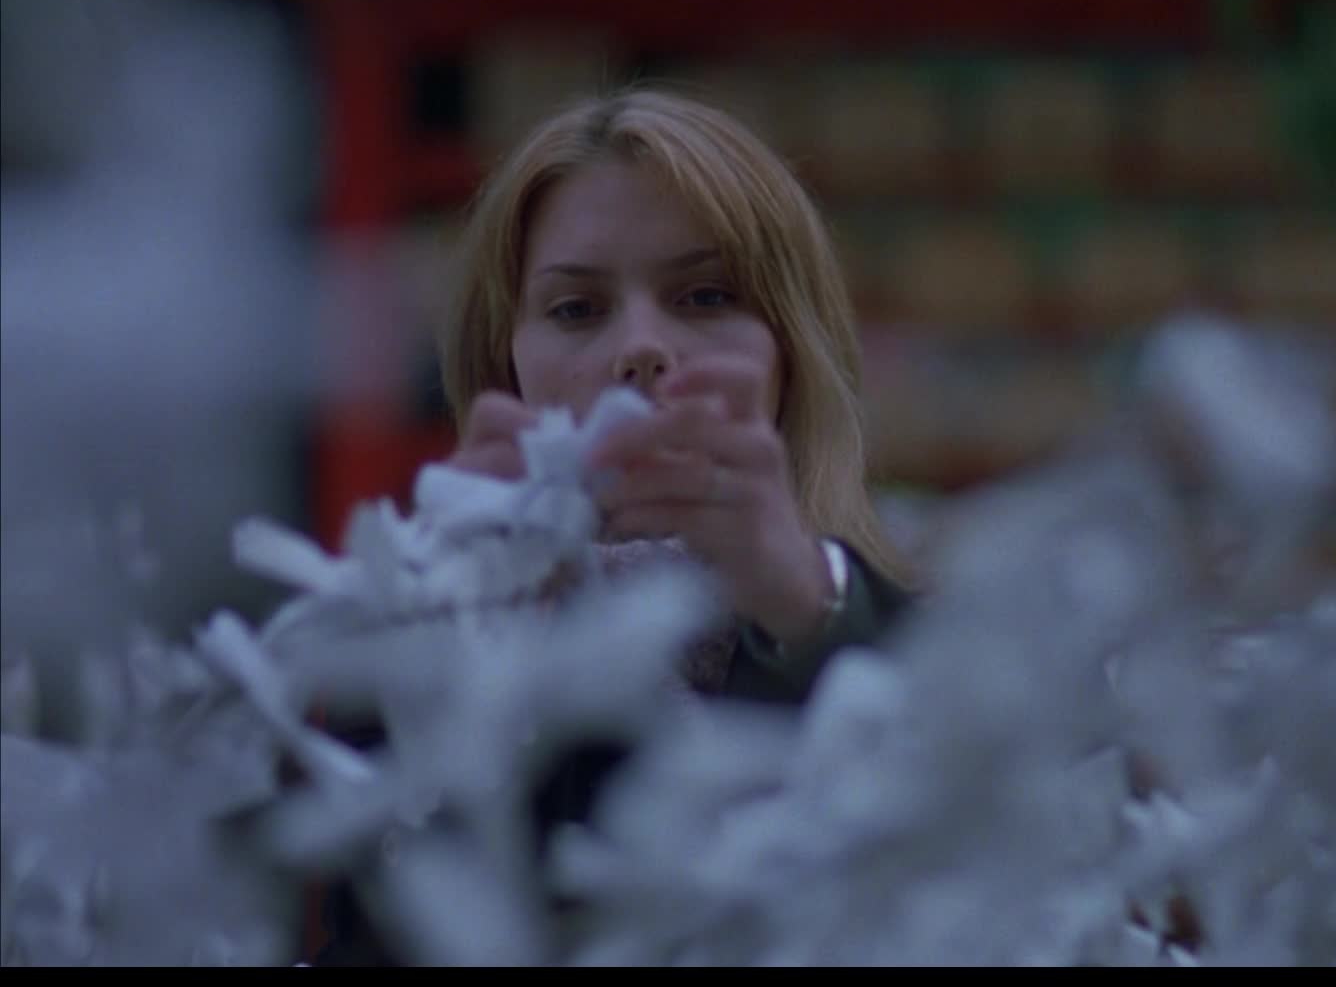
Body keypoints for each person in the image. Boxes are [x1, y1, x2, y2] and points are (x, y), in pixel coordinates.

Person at [311, 86, 919, 964]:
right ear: (505, 367)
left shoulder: (937, 648)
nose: (641, 347)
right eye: (576, 310)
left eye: (704, 296)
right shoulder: (401, 659)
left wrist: (804, 612)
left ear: (792, 351)